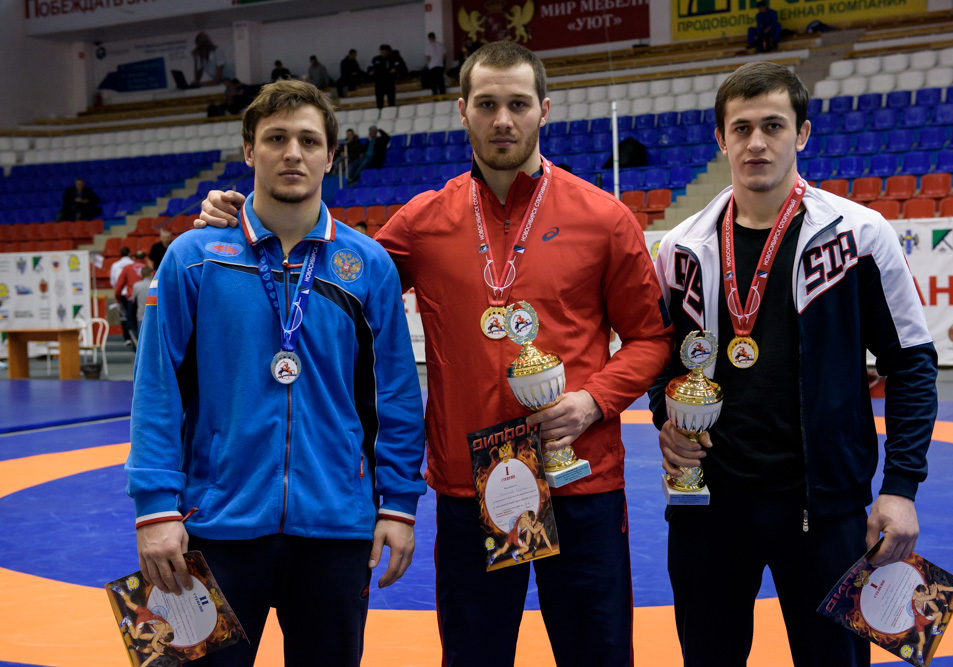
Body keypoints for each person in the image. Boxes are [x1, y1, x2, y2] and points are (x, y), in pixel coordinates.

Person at [197, 41, 672, 667]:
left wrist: (594, 401)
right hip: (467, 486)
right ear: (462, 110)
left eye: (518, 104)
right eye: (487, 104)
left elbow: (651, 339)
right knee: (473, 655)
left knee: (599, 652)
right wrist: (243, 223)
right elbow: (328, 267)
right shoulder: (422, 221)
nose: (503, 119)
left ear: (544, 111)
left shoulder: (605, 219)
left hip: (578, 478)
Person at [126, 79, 426, 667]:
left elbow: (394, 392)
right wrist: (155, 508)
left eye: (309, 140)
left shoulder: (367, 266)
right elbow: (156, 387)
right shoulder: (195, 257)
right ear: (248, 149)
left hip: (338, 527)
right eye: (277, 138)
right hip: (212, 525)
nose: (293, 152)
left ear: (331, 156)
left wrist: (398, 504)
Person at [647, 61, 938, 666]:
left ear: (801, 134)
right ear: (720, 139)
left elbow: (910, 363)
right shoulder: (681, 248)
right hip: (706, 504)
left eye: (773, 125)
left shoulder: (858, 237)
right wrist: (665, 420)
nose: (757, 142)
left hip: (824, 510)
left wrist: (901, 488)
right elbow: (662, 359)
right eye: (742, 127)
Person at [114, 250, 147, 347]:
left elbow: (119, 286)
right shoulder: (148, 269)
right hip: (146, 299)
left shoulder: (127, 268)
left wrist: (118, 298)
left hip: (131, 300)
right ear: (144, 258)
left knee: (132, 324)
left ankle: (137, 345)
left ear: (134, 257)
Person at [368, 44, 402, 109]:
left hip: (389, 82)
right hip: (379, 82)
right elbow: (370, 67)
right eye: (382, 51)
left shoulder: (392, 58)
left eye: (384, 51)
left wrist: (394, 70)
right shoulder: (376, 59)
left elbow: (398, 67)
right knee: (379, 100)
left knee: (391, 100)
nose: (383, 52)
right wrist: (371, 72)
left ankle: (391, 111)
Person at [132, 266, 153, 332]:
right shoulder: (156, 284)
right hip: (154, 315)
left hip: (141, 315)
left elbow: (133, 301)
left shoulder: (136, 285)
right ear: (151, 274)